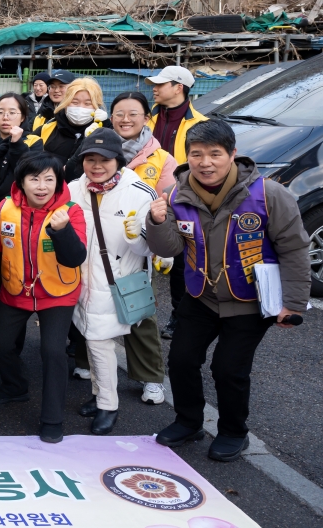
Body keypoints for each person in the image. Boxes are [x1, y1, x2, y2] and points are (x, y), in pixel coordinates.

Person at [145, 120, 309, 461]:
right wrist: (158, 222)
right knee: (181, 359)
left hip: (249, 300)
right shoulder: (178, 194)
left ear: (232, 155)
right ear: (187, 157)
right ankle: (188, 422)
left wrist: (293, 303)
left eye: (215, 154)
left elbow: (294, 248)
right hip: (200, 295)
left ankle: (235, 432)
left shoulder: (268, 194)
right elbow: (170, 249)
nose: (206, 162)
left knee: (228, 369)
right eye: (197, 154)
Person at [0, 152, 87, 444]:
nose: (41, 186)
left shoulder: (71, 211)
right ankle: (15, 386)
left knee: (53, 352)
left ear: (58, 183)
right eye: (34, 179)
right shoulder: (5, 208)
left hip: (57, 291)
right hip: (15, 288)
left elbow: (75, 257)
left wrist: (62, 230)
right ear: (21, 182)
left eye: (48, 179)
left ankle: (52, 418)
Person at [67, 130, 157, 435]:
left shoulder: (139, 192)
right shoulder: (72, 190)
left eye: (104, 159)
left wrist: (139, 236)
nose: (97, 165)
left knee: (98, 342)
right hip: (80, 281)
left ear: (118, 160)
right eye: (90, 159)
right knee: (92, 339)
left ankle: (108, 404)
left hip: (116, 282)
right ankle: (98, 394)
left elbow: (150, 251)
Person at [90, 91, 177, 404]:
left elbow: (170, 203)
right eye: (119, 114)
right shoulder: (96, 144)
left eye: (133, 114)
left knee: (137, 313)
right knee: (90, 309)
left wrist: (158, 242)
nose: (125, 120)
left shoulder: (161, 158)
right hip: (99, 242)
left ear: (146, 118)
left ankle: (151, 378)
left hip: (135, 243)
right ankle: (87, 367)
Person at [145, 65, 209, 339]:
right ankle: (134, 314)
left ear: (179, 87)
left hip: (183, 200)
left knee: (182, 261)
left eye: (161, 84)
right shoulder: (146, 118)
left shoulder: (201, 124)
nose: (154, 88)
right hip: (145, 196)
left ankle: (178, 315)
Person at [0, 93, 41, 202]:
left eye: (12, 113)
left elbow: (30, 173)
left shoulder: (34, 141)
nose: (5, 117)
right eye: (0, 112)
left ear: (23, 118)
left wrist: (17, 144)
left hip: (18, 205)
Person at [38, 76, 106, 179]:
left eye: (87, 103)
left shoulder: (103, 132)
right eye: (74, 102)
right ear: (65, 102)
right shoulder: (49, 127)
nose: (80, 108)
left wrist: (105, 125)